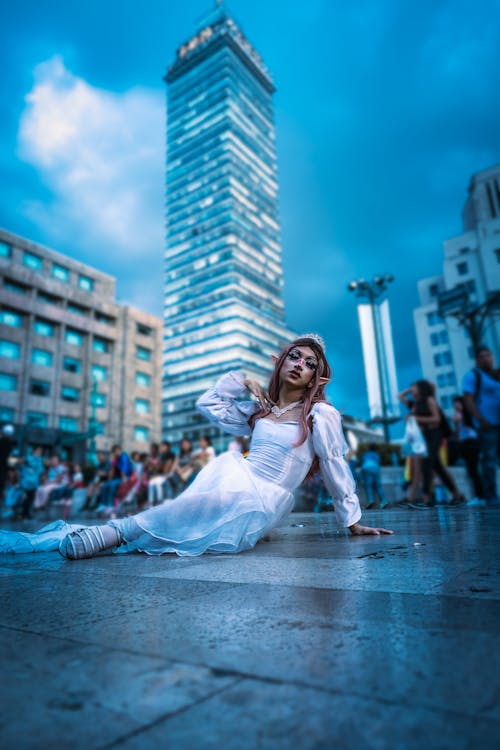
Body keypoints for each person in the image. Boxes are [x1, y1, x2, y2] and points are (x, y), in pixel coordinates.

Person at [0, 335, 392, 557]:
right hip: (235, 480)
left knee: (211, 498)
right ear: (281, 362)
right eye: (294, 356)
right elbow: (207, 403)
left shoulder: (320, 415)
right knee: (204, 494)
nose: (298, 364)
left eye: (308, 364)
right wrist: (243, 382)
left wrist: (352, 521)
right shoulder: (260, 411)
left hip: (264, 499)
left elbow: (335, 463)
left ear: (313, 380)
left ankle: (115, 532)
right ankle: (120, 531)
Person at [410, 380, 464, 508]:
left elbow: (436, 418)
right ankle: (457, 495)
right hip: (425, 436)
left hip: (435, 434)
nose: (412, 390)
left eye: (414, 387)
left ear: (421, 388)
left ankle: (425, 498)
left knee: (427, 464)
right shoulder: (417, 403)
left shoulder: (430, 400)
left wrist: (416, 418)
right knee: (438, 467)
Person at [462, 347, 500, 506]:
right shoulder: (473, 376)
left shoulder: (496, 375)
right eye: (482, 356)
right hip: (487, 426)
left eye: (488, 355)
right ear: (477, 360)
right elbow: (468, 400)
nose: (486, 359)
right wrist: (480, 419)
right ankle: (490, 496)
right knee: (489, 461)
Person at [452, 395, 484, 506]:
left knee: (474, 471)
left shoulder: (466, 415)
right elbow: (456, 433)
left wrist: (458, 418)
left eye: (458, 403)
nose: (455, 405)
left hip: (471, 443)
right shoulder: (459, 416)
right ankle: (478, 496)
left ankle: (480, 496)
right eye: (454, 403)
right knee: (471, 471)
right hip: (464, 443)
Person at [360, 444, 388, 509]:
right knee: (378, 486)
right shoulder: (376, 454)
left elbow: (362, 462)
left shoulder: (365, 454)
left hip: (366, 468)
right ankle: (384, 501)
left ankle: (370, 500)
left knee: (368, 486)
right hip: (375, 468)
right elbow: (378, 462)